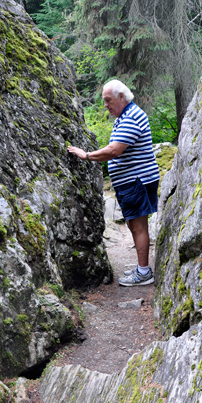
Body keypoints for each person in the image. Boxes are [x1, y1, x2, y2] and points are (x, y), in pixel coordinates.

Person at [67, 79, 159, 287]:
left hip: (137, 181)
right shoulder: (125, 116)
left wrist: (86, 155)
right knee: (134, 224)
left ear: (121, 97)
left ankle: (144, 272)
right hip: (133, 182)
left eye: (108, 100)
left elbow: (114, 150)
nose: (106, 105)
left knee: (138, 226)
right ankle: (141, 267)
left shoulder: (131, 117)